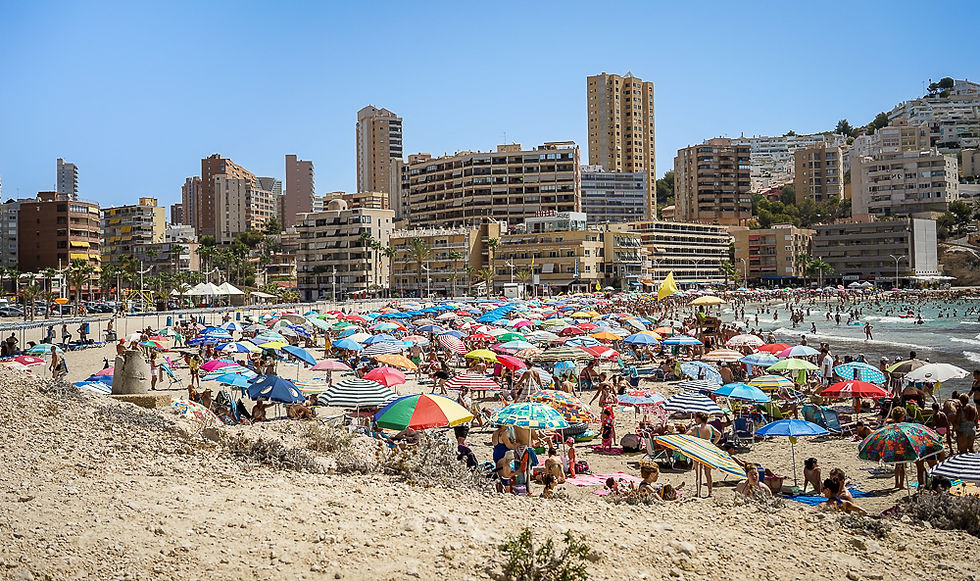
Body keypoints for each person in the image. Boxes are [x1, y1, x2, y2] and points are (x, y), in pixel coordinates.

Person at [691, 411, 721, 497]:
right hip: (708, 450)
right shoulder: (710, 427)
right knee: (708, 473)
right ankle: (710, 492)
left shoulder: (696, 428)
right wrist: (713, 444)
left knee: (698, 473)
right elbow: (718, 434)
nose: (695, 419)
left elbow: (686, 435)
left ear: (699, 418)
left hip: (698, 451)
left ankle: (698, 491)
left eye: (695, 418)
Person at [491, 424, 516, 492]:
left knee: (499, 473)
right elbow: (509, 446)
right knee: (505, 474)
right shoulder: (503, 433)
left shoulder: (495, 433)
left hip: (496, 454)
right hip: (503, 454)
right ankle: (507, 492)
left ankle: (499, 490)